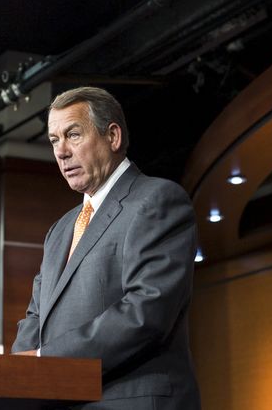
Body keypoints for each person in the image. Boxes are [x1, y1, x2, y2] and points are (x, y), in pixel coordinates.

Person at [11, 86, 201, 409]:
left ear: (112, 136)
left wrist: (45, 360)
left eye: (73, 135)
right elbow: (35, 317)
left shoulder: (157, 201)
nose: (61, 152)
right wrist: (17, 372)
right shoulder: (59, 231)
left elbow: (147, 311)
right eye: (54, 141)